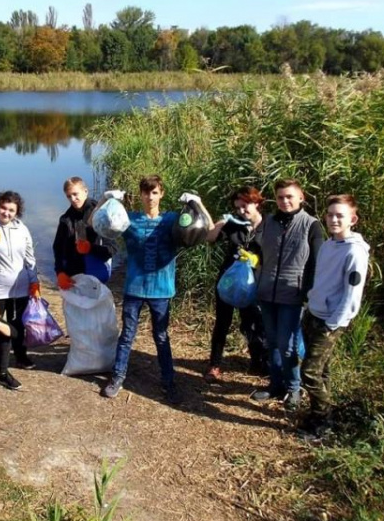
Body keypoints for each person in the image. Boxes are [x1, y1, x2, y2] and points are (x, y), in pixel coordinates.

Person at [99, 175, 214, 403]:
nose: (150, 197)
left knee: (161, 336)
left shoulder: (173, 220)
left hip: (161, 290)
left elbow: (208, 230)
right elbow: (99, 226)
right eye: (145, 192)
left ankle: (168, 382)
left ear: (161, 194)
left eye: (154, 192)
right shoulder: (128, 220)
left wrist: (197, 203)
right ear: (140, 194)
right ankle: (118, 377)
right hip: (134, 288)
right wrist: (106, 200)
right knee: (127, 336)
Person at [299, 194, 369, 438]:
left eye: (340, 215)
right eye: (330, 214)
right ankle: (317, 411)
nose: (333, 219)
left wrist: (332, 323)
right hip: (313, 313)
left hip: (329, 321)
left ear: (353, 219)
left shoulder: (355, 252)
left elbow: (352, 296)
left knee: (308, 373)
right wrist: (310, 300)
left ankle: (323, 420)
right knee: (322, 370)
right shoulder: (329, 245)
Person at [252, 178, 323, 412]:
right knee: (271, 342)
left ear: (301, 197)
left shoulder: (311, 225)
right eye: (281, 197)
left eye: (290, 196)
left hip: (293, 294)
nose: (285, 201)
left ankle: (294, 388)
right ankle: (276, 385)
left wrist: (307, 291)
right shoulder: (269, 222)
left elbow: (316, 262)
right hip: (266, 292)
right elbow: (258, 250)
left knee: (288, 345)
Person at [204, 186, 268, 382]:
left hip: (253, 284)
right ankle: (214, 364)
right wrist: (221, 222)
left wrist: (256, 260)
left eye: (245, 206)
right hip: (229, 282)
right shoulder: (234, 224)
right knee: (222, 322)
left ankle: (258, 362)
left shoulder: (268, 227)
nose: (241, 211)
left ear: (256, 203)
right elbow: (210, 237)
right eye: (237, 208)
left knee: (252, 323)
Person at [0, 191, 40, 371]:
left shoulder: (22, 229)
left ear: (17, 212)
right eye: (3, 208)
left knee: (18, 323)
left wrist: (34, 282)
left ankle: (20, 356)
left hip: (20, 287)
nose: (6, 213)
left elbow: (30, 259)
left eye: (11, 210)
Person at [53, 177, 116, 290]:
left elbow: (112, 249)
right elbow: (58, 249)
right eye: (69, 196)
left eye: (75, 194)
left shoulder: (101, 215)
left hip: (96, 274)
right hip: (74, 278)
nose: (73, 199)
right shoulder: (65, 219)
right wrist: (60, 272)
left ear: (85, 191)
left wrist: (90, 248)